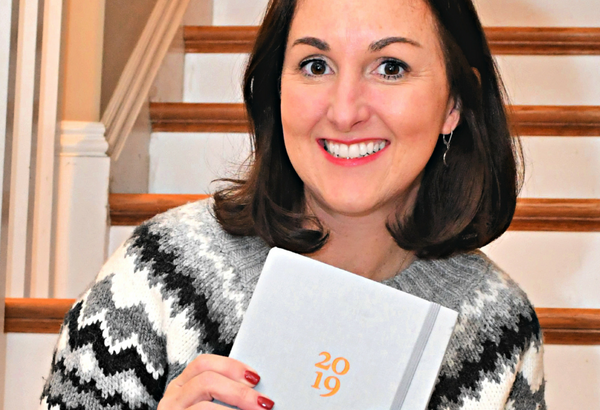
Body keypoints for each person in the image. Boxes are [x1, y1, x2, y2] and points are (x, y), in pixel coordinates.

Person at [40, 0, 546, 408]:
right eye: (315, 65)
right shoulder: (159, 272)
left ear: (454, 103)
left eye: (390, 67)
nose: (345, 111)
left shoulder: (499, 325)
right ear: (276, 89)